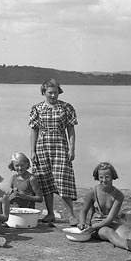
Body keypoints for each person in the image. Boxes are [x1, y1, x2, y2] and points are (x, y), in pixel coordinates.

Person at [29, 78, 79, 225]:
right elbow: (33, 131)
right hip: (42, 146)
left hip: (60, 146)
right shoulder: (37, 108)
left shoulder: (66, 108)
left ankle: (71, 215)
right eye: (50, 93)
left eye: (55, 93)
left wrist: (72, 148)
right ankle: (50, 213)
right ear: (44, 92)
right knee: (45, 181)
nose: (53, 96)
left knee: (63, 180)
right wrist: (32, 151)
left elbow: (71, 130)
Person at [78, 163, 131, 254]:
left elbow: (110, 218)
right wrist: (82, 222)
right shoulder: (92, 192)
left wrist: (92, 227)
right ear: (97, 177)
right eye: (101, 177)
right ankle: (127, 245)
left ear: (113, 176)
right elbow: (83, 211)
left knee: (127, 234)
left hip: (113, 223)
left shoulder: (118, 195)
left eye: (107, 177)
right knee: (108, 232)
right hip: (97, 226)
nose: (104, 180)